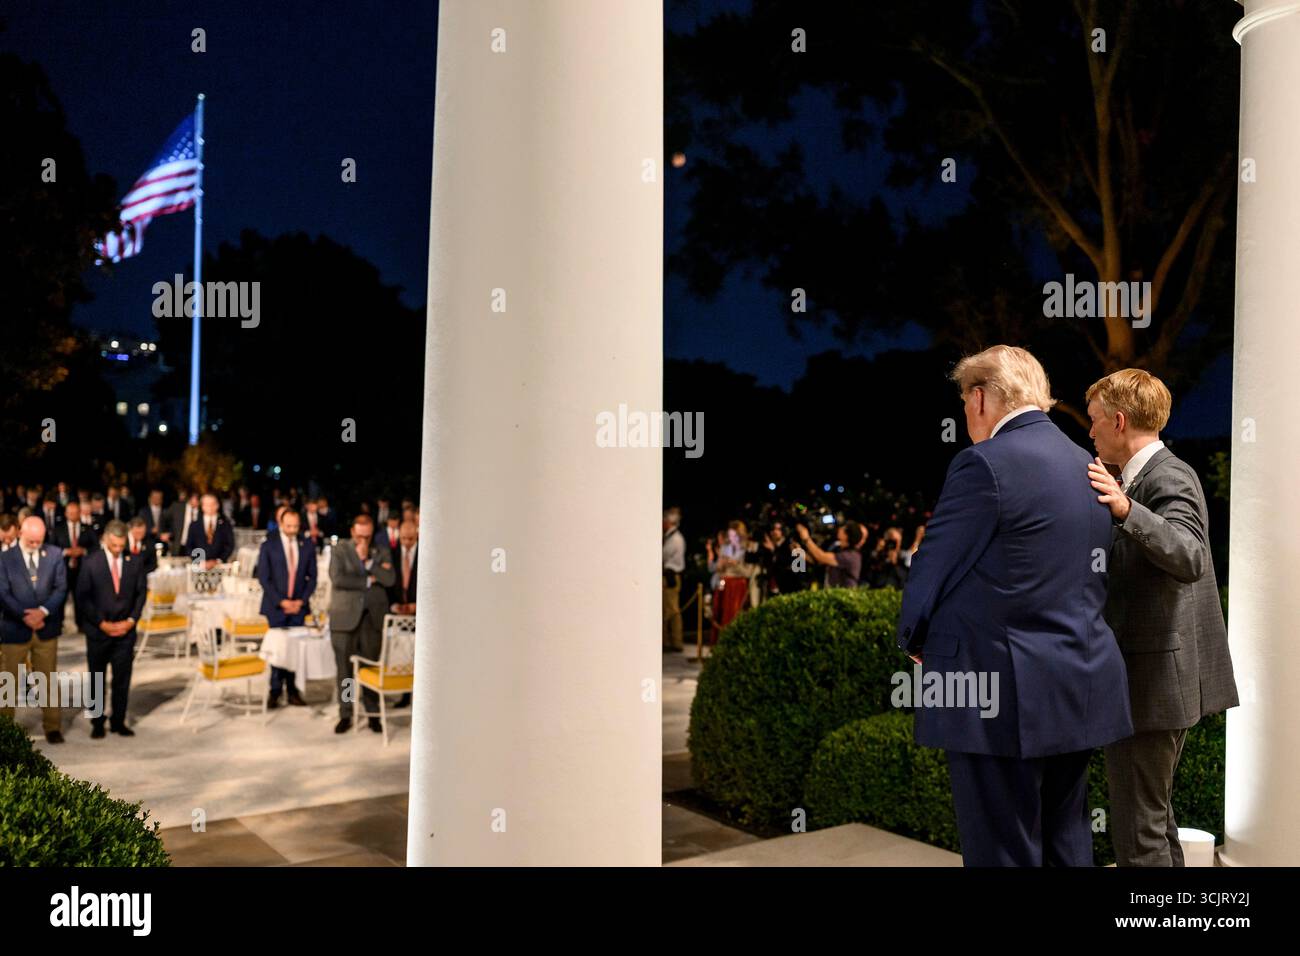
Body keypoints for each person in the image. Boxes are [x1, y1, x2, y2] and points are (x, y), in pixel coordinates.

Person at [897, 344, 1132, 866]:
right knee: (1067, 841)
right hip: (1080, 681)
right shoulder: (1088, 465)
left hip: (995, 688)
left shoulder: (982, 465)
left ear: (980, 398)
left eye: (963, 402)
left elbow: (933, 564)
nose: (964, 416)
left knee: (1002, 846)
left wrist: (915, 637)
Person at [1085, 369, 1239, 866]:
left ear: (1119, 420)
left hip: (1153, 685)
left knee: (1139, 834)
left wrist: (1128, 510)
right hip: (1156, 682)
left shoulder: (1166, 476)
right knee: (1153, 821)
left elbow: (1191, 556)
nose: (1089, 432)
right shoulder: (1143, 477)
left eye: (1094, 422)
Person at [77, 520, 149, 737]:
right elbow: (83, 597)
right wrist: (102, 623)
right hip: (99, 631)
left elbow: (141, 594)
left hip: (125, 632)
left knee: (122, 679)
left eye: (121, 545)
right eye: (114, 545)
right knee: (96, 678)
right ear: (106, 539)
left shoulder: (135, 562)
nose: (118, 550)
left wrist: (131, 620)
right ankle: (97, 723)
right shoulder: (91, 562)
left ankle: (118, 721)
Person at [0, 517, 68, 743]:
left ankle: (52, 727)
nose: (35, 545)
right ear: (20, 533)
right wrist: (25, 616)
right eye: (31, 541)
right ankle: (5, 730)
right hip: (14, 627)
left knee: (48, 678)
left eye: (39, 541)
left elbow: (61, 588)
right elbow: (3, 592)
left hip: (45, 628)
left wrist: (43, 612)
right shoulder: (5, 558)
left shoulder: (55, 554)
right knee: (8, 681)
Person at [328, 515, 395, 734]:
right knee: (346, 671)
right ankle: (346, 712)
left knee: (370, 668)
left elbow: (389, 579)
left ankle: (373, 712)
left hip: (372, 619)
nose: (363, 541)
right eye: (359, 536)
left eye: (367, 536)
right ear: (352, 531)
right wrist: (367, 580)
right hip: (344, 618)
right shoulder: (340, 550)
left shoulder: (381, 551)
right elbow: (338, 579)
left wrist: (369, 564)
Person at [255, 508, 316, 708]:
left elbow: (312, 577)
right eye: (288, 526)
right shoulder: (269, 545)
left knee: (295, 649)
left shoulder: (306, 544)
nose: (292, 530)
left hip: (298, 606)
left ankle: (292, 690)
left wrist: (300, 601)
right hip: (276, 606)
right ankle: (274, 690)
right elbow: (264, 577)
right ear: (281, 524)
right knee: (279, 648)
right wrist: (282, 602)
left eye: (296, 526)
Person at [51, 501, 97, 631]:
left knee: (81, 597)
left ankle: (81, 624)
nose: (73, 515)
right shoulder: (58, 529)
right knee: (60, 597)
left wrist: (83, 551)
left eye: (76, 513)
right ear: (66, 513)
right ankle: (58, 625)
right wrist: (66, 552)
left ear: (79, 513)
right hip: (63, 569)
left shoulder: (87, 528)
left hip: (82, 570)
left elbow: (96, 547)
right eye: (70, 513)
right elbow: (51, 547)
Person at [795, 521, 862, 588]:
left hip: (844, 595)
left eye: (843, 528)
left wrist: (806, 538)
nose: (839, 529)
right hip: (830, 590)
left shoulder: (851, 556)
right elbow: (818, 561)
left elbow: (821, 556)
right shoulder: (837, 546)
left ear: (846, 535)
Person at [184, 493, 235, 567]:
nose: (210, 507)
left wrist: (218, 561)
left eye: (212, 504)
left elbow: (230, 545)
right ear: (202, 506)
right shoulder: (194, 525)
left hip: (220, 567)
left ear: (217, 505)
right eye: (207, 504)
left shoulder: (225, 524)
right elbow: (189, 546)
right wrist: (200, 561)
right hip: (199, 567)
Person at [662, 508, 685, 652]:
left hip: (671, 575)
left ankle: (676, 642)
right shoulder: (671, 537)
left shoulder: (675, 538)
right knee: (667, 609)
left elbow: (664, 556)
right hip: (669, 574)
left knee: (672, 610)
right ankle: (669, 641)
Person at [162, 490, 199, 555]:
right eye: (196, 499)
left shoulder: (202, 511)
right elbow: (163, 517)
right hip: (178, 545)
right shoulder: (177, 507)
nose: (199, 502)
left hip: (195, 548)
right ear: (191, 498)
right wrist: (164, 532)